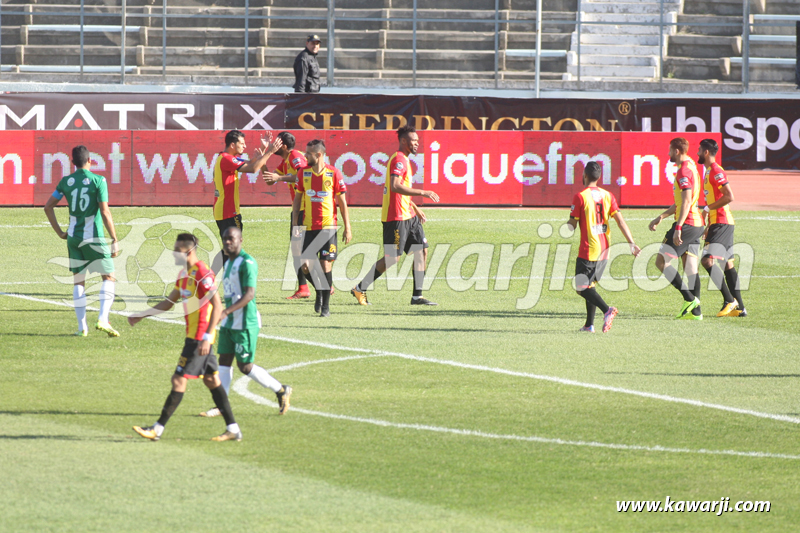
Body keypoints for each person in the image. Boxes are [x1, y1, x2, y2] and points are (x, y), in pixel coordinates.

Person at [128, 233, 241, 442]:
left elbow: (217, 305)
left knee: (178, 380)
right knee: (211, 380)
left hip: (199, 339)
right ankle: (233, 429)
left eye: (177, 251)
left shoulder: (202, 273)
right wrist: (141, 315)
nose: (173, 254)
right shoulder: (184, 275)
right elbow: (169, 302)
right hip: (194, 338)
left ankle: (157, 429)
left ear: (189, 251)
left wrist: (207, 337)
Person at [200, 226, 292, 418]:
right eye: (225, 239)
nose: (227, 242)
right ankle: (221, 405)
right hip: (229, 323)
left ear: (240, 240)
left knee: (245, 367)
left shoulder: (247, 263)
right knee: (223, 361)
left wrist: (225, 311)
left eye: (231, 239)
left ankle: (281, 389)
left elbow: (250, 294)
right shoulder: (229, 262)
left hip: (245, 323)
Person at [351, 125, 440, 306]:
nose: (417, 143)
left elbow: (400, 189)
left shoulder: (404, 159)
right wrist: (422, 193)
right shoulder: (399, 159)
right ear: (403, 141)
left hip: (408, 215)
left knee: (421, 251)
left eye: (417, 140)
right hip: (396, 217)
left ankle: (417, 296)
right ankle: (360, 288)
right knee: (392, 258)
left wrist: (414, 206)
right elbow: (394, 185)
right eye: (413, 141)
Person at [43, 145, 121, 337]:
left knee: (79, 281)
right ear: (90, 161)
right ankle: (103, 319)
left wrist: (60, 232)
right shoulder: (98, 181)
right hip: (93, 237)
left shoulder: (66, 182)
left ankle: (81, 328)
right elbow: (105, 211)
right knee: (108, 276)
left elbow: (48, 207)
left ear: (72, 163)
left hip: (73, 237)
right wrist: (114, 238)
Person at [567, 162, 641, 333]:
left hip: (589, 249)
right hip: (605, 250)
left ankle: (607, 310)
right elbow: (620, 221)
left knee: (581, 287)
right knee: (589, 286)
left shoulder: (580, 196)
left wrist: (568, 223)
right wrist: (631, 242)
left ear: (584, 175)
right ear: (599, 178)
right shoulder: (608, 195)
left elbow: (572, 225)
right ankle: (588, 325)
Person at [291, 139, 352, 317]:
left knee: (326, 265)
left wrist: (347, 227)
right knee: (304, 266)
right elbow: (297, 200)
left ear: (318, 155)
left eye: (308, 153)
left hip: (328, 228)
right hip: (309, 227)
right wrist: (296, 224)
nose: (304, 155)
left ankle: (325, 306)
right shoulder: (303, 173)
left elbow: (342, 203)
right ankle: (319, 289)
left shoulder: (334, 174)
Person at [649, 137, 706, 320]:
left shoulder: (683, 171)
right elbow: (681, 201)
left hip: (687, 224)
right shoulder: (691, 166)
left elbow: (687, 201)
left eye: (670, 150)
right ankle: (696, 312)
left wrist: (679, 227)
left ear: (676, 151)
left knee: (661, 262)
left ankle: (689, 299)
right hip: (696, 224)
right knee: (691, 268)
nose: (668, 154)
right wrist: (662, 216)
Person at [213, 129, 282, 268]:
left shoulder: (226, 158)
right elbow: (253, 168)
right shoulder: (227, 158)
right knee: (232, 249)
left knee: (230, 249)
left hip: (224, 210)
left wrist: (263, 147)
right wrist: (270, 151)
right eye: (242, 143)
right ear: (233, 144)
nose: (244, 146)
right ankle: (211, 277)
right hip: (228, 211)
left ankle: (209, 277)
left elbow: (250, 163)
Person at [697, 138, 747, 317]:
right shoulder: (709, 171)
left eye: (699, 150)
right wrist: (708, 225)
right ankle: (740, 308)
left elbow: (729, 196)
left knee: (706, 260)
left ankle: (729, 300)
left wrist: (707, 209)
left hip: (722, 221)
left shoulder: (716, 171)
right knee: (727, 263)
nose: (697, 153)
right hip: (718, 222)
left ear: (706, 152)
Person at [261, 132, 312, 300]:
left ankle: (320, 284)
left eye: (276, 142)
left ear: (283, 145)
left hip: (306, 208)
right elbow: (269, 181)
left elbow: (303, 174)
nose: (274, 145)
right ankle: (304, 287)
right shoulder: (285, 161)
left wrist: (280, 177)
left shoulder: (295, 155)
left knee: (302, 250)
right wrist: (263, 159)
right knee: (298, 250)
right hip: (299, 209)